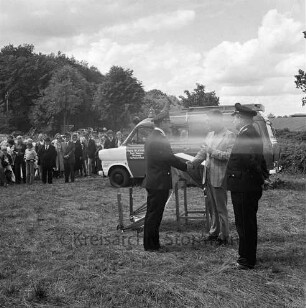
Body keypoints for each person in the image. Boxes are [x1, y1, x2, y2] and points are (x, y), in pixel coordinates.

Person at [226, 103, 269, 270]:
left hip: (244, 186)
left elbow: (251, 161)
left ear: (241, 118)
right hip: (246, 184)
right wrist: (264, 177)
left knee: (244, 224)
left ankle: (246, 260)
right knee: (246, 222)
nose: (234, 121)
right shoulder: (250, 132)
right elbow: (260, 159)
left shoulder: (246, 134)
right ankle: (246, 255)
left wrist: (261, 178)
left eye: (235, 117)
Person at [187, 110, 236, 245]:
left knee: (221, 207)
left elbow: (228, 156)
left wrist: (212, 151)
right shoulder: (209, 135)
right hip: (207, 176)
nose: (207, 123)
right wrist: (193, 162)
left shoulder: (230, 135)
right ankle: (214, 233)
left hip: (219, 177)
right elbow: (203, 152)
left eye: (209, 121)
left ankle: (224, 236)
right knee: (211, 206)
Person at [143, 112, 188, 252]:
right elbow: (169, 158)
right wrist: (186, 166)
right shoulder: (159, 138)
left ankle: (152, 243)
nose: (170, 124)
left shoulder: (153, 136)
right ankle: (151, 245)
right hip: (158, 182)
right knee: (154, 214)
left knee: (152, 214)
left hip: (155, 180)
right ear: (162, 123)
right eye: (168, 121)